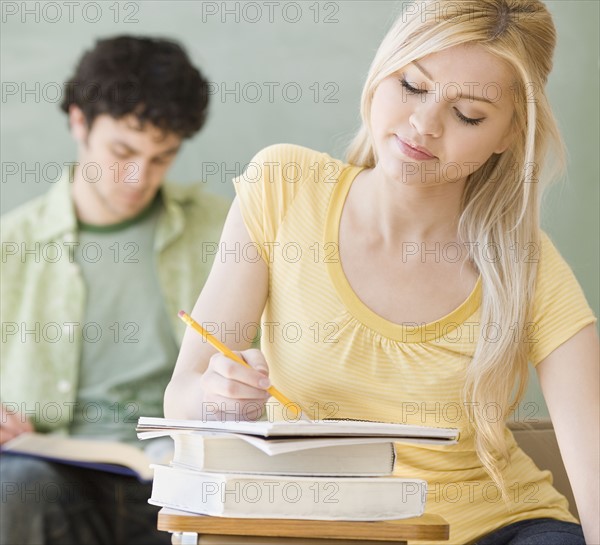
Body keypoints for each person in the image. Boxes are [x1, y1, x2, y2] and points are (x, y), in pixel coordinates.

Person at [164, 1, 600, 544]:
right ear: (381, 70)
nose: (424, 124)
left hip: (502, 528)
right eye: (411, 85)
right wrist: (220, 401)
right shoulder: (282, 186)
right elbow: (183, 397)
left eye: (469, 114)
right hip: (324, 528)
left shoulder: (525, 261)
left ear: (509, 134)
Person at [0, 36, 229, 544]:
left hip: (181, 476)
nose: (137, 177)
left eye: (161, 158)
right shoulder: (10, 247)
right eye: (122, 151)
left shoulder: (223, 233)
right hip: (51, 475)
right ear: (79, 122)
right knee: (16, 486)